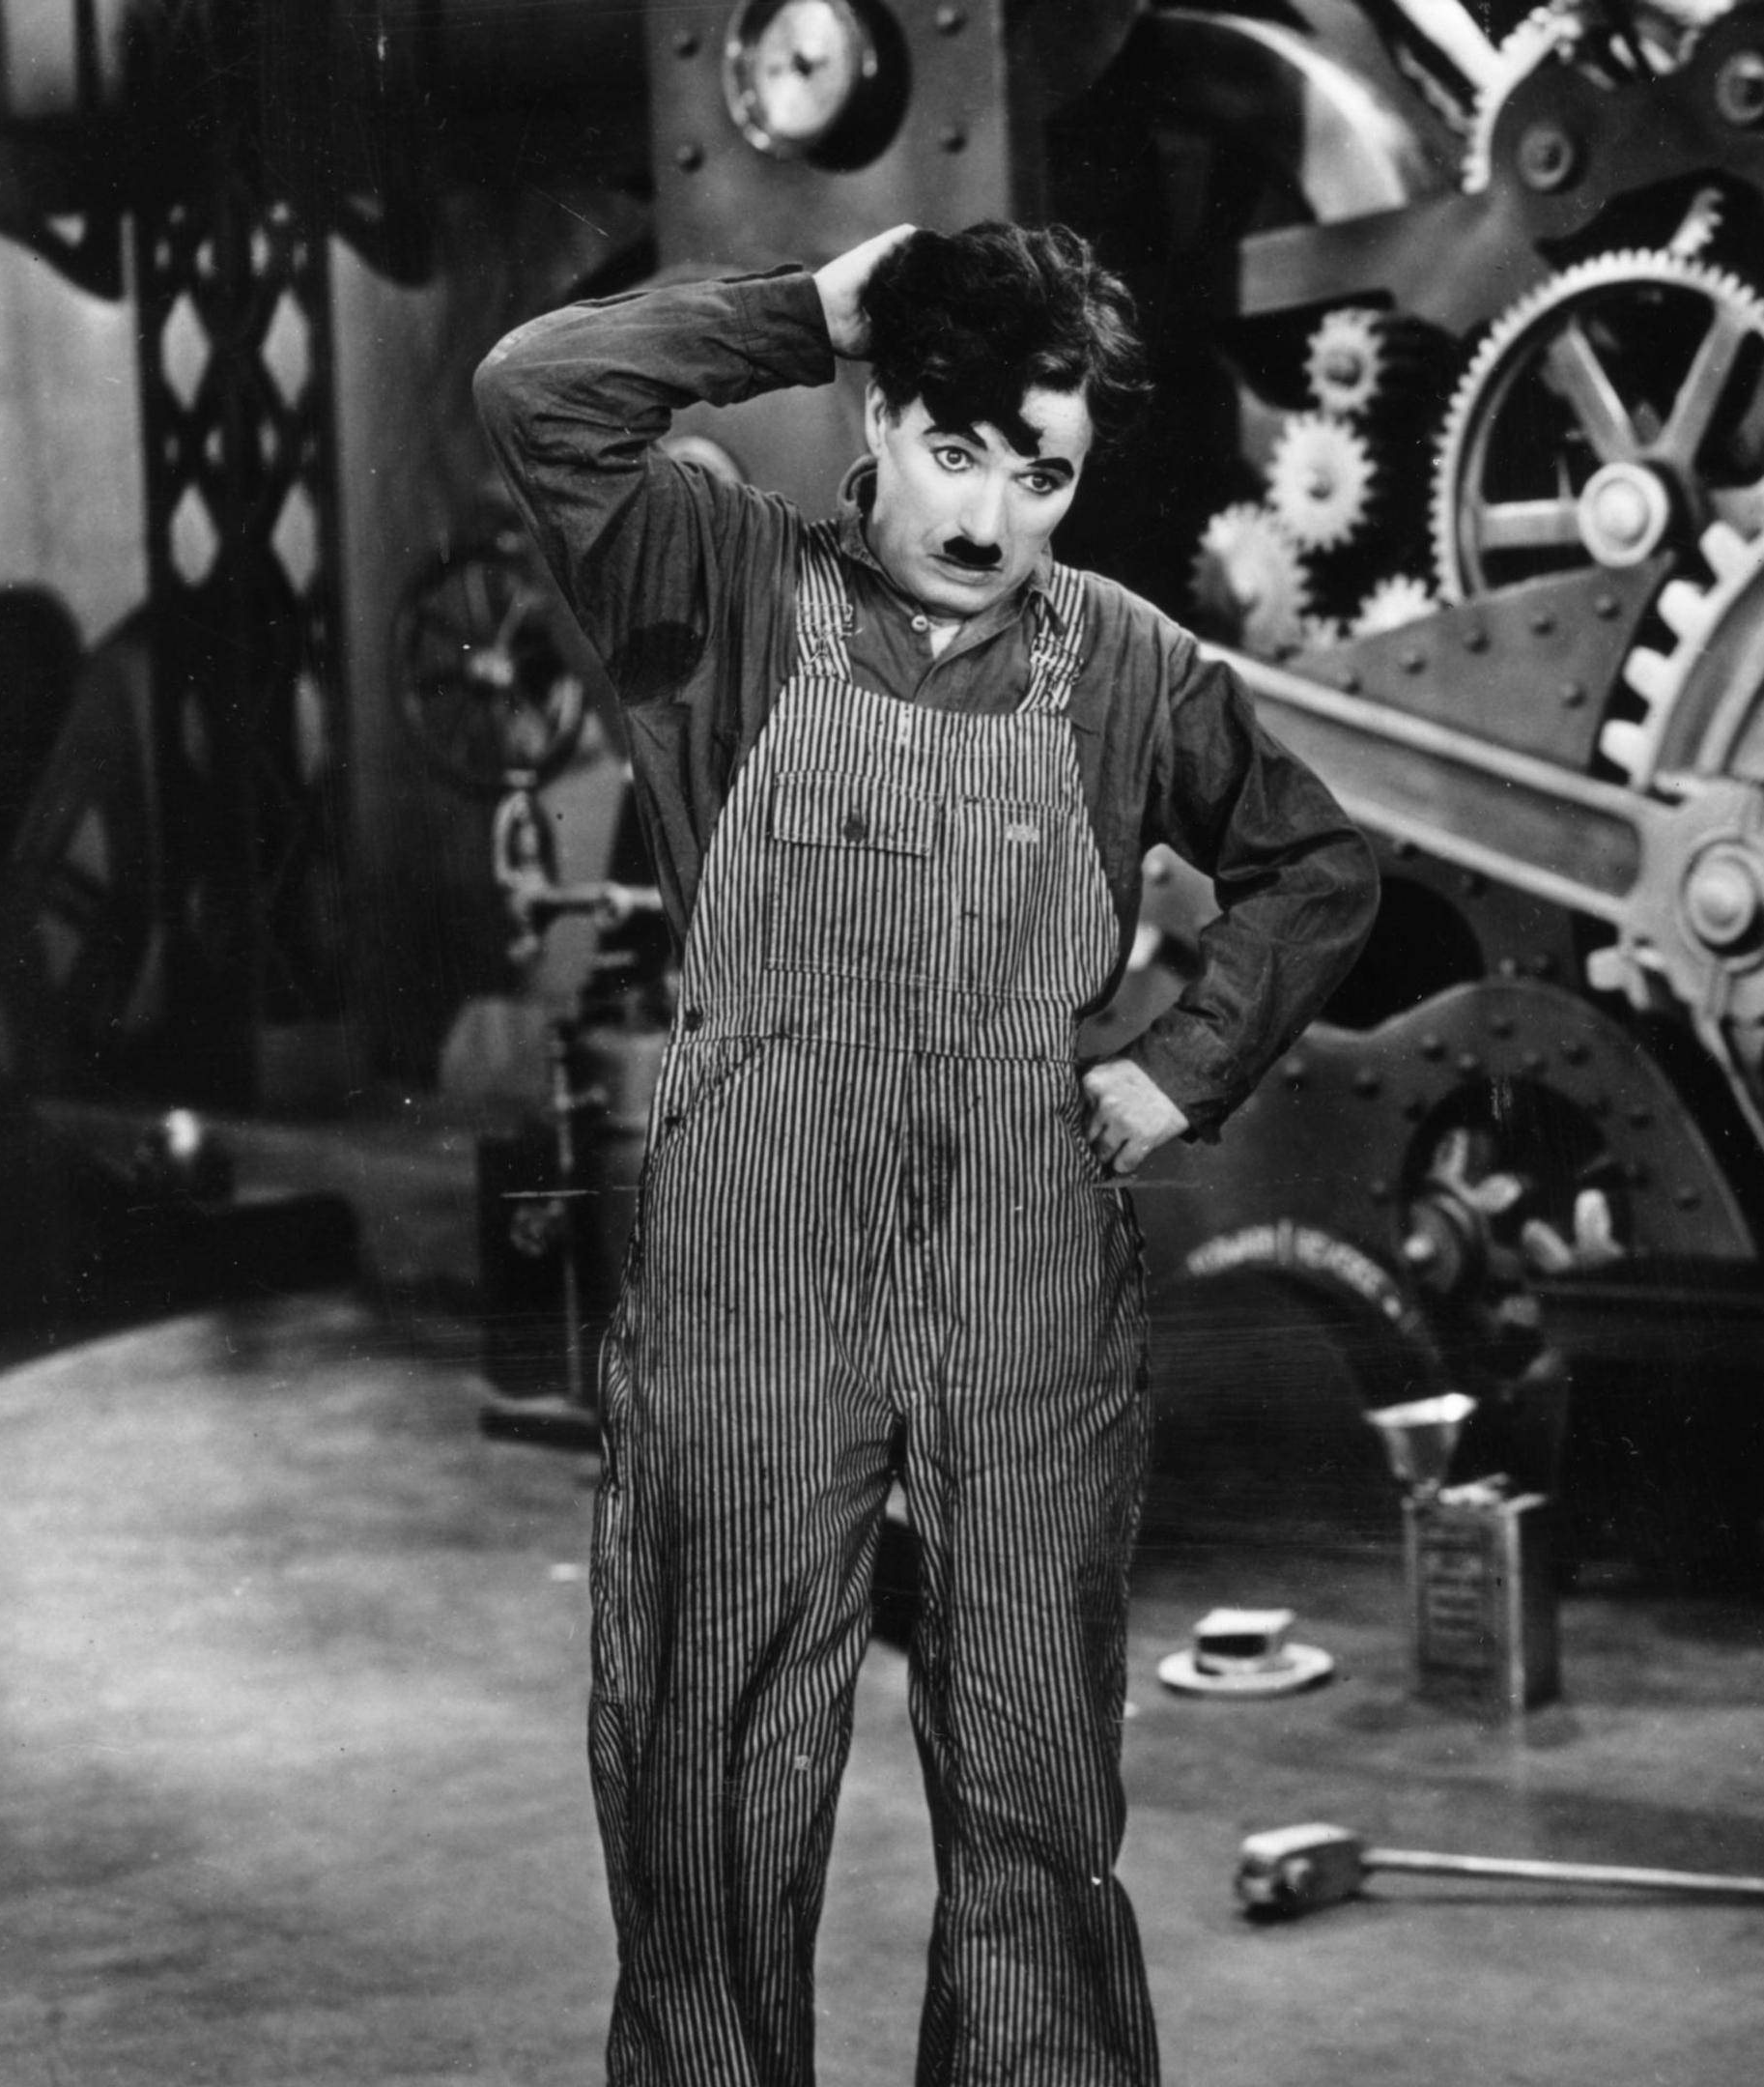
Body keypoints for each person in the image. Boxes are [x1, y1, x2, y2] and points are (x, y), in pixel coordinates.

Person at [476, 220, 1379, 2085]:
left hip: (1022, 1240)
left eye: (1042, 475)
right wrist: (802, 313)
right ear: (877, 420)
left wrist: (1181, 1072)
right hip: (760, 1237)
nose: (986, 519)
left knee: (1037, 1767)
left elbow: (1317, 867)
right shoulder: (716, 576)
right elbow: (535, 394)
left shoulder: (1129, 665)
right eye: (954, 454)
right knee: (712, 1751)